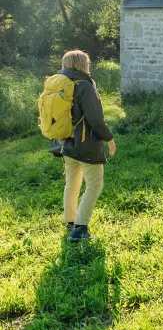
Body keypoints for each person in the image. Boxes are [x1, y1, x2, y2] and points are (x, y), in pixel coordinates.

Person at [49, 50, 116, 242]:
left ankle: (71, 221)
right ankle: (79, 229)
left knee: (72, 182)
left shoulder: (60, 85)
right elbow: (96, 119)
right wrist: (109, 138)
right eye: (87, 62)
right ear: (82, 64)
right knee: (94, 185)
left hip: (66, 142)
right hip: (86, 144)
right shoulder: (84, 86)